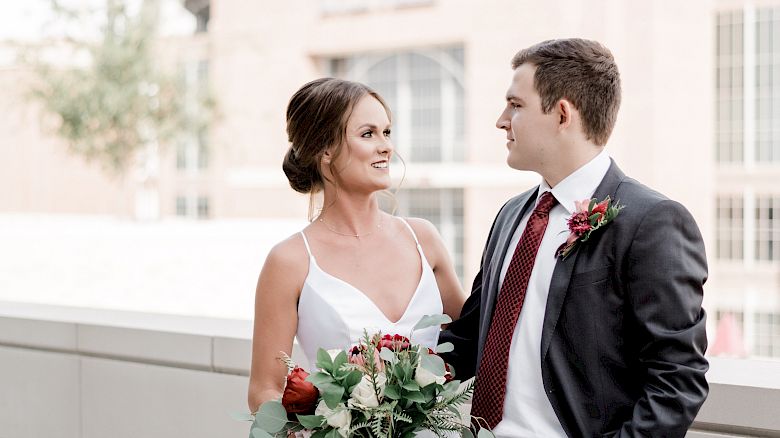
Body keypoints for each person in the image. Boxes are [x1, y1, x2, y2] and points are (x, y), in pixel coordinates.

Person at [440, 39, 709, 437]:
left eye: (515, 105)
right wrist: (383, 371)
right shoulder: (510, 215)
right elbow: (468, 339)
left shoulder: (652, 222)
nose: (501, 120)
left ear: (562, 114)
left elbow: (677, 379)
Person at [247, 78, 465, 413]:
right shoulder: (290, 261)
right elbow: (265, 389)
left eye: (386, 132)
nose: (386, 146)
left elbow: (473, 341)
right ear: (325, 149)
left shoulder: (423, 239)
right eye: (368, 134)